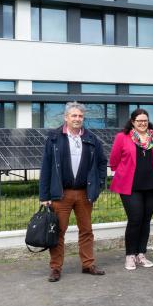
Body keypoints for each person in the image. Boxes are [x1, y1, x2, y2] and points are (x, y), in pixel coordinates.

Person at [39, 101, 108, 282]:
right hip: (61, 194)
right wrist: (44, 195)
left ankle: (88, 264)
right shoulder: (54, 138)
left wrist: (99, 184)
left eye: (80, 116)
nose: (77, 119)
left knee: (86, 230)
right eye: (74, 115)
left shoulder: (92, 139)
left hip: (85, 193)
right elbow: (46, 167)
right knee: (58, 232)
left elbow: (102, 163)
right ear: (66, 117)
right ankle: (55, 268)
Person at [109, 108, 153, 270]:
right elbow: (114, 159)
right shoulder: (122, 137)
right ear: (132, 122)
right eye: (139, 120)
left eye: (145, 120)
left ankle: (141, 254)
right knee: (135, 219)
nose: (142, 123)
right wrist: (123, 172)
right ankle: (130, 255)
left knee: (146, 220)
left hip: (151, 185)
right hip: (130, 186)